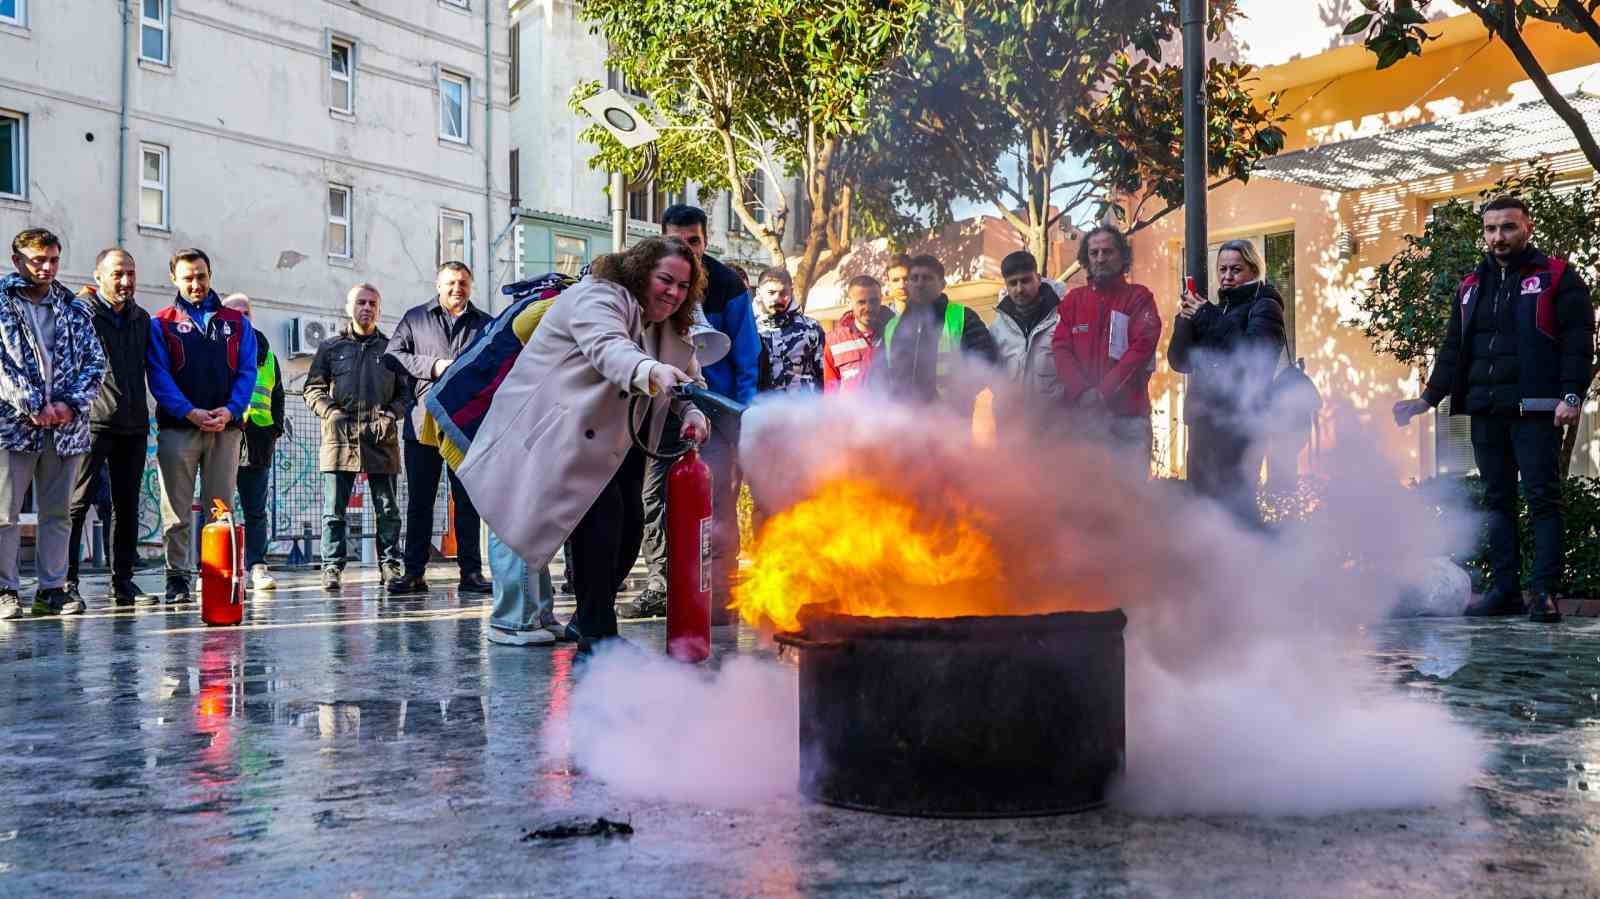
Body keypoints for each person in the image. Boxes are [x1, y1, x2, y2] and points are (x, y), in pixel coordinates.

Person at [455, 237, 710, 654]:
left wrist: (694, 413)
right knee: (586, 524)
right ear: (641, 271)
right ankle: (592, 631)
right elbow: (609, 347)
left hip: (618, 440)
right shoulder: (597, 296)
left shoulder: (671, 326)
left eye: (684, 287)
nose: (673, 292)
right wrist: (650, 370)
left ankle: (585, 620)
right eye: (666, 279)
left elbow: (691, 379)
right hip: (556, 434)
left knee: (628, 532)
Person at [1394, 196, 1593, 623]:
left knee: (1543, 499)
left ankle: (1543, 593)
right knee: (1496, 500)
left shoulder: (1557, 276)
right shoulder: (1470, 287)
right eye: (1490, 229)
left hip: (1537, 409)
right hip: (1485, 409)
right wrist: (1426, 399)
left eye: (1508, 227)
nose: (1498, 237)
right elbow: (1453, 349)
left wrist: (1571, 396)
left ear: (1528, 228)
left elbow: (1578, 342)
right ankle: (1505, 591)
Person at [629, 204, 761, 621]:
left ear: (706, 240)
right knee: (653, 499)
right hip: (659, 409)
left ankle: (719, 593)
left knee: (719, 501)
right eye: (678, 241)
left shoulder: (725, 285)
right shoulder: (646, 280)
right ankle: (662, 586)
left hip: (715, 414)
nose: (688, 250)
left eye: (695, 241)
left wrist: (738, 420)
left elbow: (746, 355)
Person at [0, 229, 108, 618]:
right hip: (12, 427)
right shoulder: (2, 302)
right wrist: (30, 403)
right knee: (4, 512)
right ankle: (5, 590)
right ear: (18, 261)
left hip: (65, 430)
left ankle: (52, 588)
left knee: (57, 512)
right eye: (37, 259)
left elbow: (96, 362)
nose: (46, 267)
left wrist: (69, 404)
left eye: (53, 260)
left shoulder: (71, 305)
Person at [147, 248, 257, 604]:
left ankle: (218, 576)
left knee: (221, 509)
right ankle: (177, 578)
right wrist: (188, 411)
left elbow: (247, 372)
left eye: (201, 276)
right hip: (179, 430)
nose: (196, 284)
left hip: (225, 430)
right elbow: (159, 376)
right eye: (188, 277)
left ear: (210, 275)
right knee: (176, 511)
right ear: (174, 279)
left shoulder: (237, 323)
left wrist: (231, 410)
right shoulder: (160, 323)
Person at [384, 261, 493, 596]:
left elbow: (495, 367)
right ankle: (414, 573)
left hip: (465, 425)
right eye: (450, 283)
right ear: (438, 285)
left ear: (470, 286)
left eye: (462, 283)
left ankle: (471, 573)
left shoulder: (485, 324)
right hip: (423, 424)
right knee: (420, 502)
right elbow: (392, 355)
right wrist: (433, 366)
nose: (456, 288)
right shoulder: (416, 318)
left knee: (467, 501)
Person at [1168, 240, 1287, 524]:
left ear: (1254, 270)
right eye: (1222, 269)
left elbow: (1254, 354)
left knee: (1237, 509)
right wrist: (1185, 320)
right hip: (1203, 422)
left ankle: (1251, 564)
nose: (1227, 276)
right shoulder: (1215, 309)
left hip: (1240, 428)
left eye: (1236, 269)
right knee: (1203, 507)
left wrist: (1205, 314)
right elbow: (1180, 361)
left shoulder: (1266, 305)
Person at [304, 283, 407, 593]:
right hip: (340, 439)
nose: (367, 308)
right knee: (333, 510)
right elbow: (313, 388)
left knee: (387, 509)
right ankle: (332, 567)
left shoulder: (391, 350)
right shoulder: (331, 347)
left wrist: (390, 415)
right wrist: (331, 412)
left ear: (379, 308)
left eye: (373, 303)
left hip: (381, 438)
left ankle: (389, 565)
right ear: (349, 307)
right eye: (361, 302)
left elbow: (406, 394)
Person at [66, 248, 150, 607]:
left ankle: (123, 582)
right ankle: (65, 582)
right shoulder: (81, 314)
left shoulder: (141, 318)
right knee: (76, 503)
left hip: (133, 424)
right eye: (117, 273)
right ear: (98, 275)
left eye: (130, 273)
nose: (126, 281)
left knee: (126, 505)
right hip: (90, 422)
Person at [1050, 230, 1164, 459]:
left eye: (1108, 251)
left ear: (1122, 256)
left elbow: (1141, 348)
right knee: (1083, 492)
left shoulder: (1139, 297)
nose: (1101, 258)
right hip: (1081, 418)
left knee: (1130, 493)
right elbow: (1061, 348)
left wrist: (1102, 392)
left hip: (1127, 419)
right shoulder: (1073, 300)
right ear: (1086, 259)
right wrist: (1083, 392)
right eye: (1094, 253)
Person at [221, 293, 285, 593]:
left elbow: (278, 397)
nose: (241, 317)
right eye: (235, 312)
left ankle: (257, 566)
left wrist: (273, 430)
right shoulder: (215, 348)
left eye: (246, 312)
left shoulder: (268, 353)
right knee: (218, 508)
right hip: (221, 438)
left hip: (257, 441)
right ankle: (214, 568)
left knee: (255, 509)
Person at [882, 254, 998, 404]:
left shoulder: (962, 316)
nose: (919, 284)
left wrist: (962, 396)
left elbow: (985, 361)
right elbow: (884, 374)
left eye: (927, 278)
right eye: (914, 278)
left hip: (951, 418)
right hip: (906, 419)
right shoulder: (892, 326)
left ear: (942, 284)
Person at [989, 251, 1066, 418]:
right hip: (1011, 427)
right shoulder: (997, 327)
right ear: (1006, 285)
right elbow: (990, 373)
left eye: (1025, 281)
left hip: (1056, 427)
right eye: (1012, 283)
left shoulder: (1064, 318)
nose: (1019, 289)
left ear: (1038, 278)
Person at [755, 267, 826, 393]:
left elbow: (824, 373)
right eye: (771, 293)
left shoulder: (811, 328)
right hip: (764, 407)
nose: (778, 299)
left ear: (792, 292)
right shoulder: (750, 329)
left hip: (805, 407)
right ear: (759, 293)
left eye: (783, 293)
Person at [822, 275, 893, 393]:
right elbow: (830, 390)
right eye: (861, 302)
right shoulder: (834, 341)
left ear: (881, 299)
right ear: (850, 303)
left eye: (873, 301)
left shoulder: (896, 333)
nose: (868, 307)